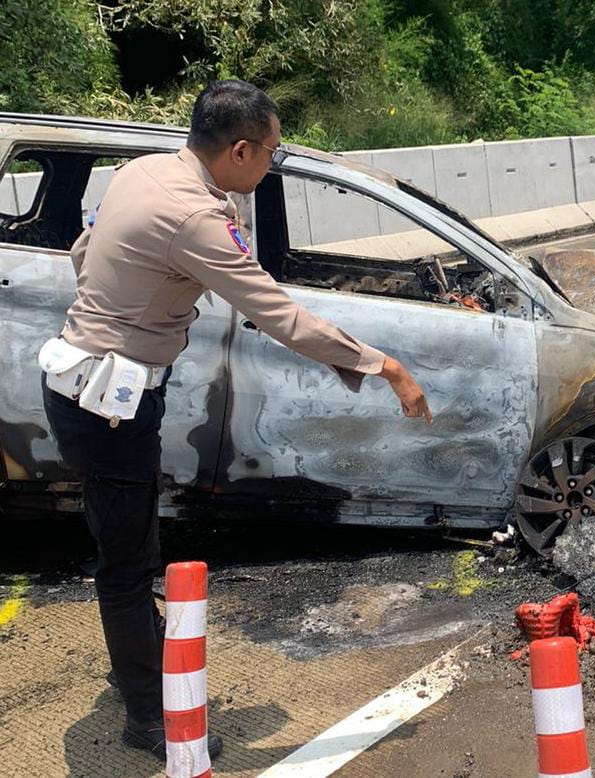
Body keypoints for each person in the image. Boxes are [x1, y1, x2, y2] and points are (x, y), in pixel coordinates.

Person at [40, 80, 432, 759]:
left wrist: (122, 309)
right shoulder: (195, 215)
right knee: (127, 563)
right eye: (272, 154)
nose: (270, 166)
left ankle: (138, 658)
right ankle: (147, 718)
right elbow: (278, 315)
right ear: (240, 148)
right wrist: (382, 366)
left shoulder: (143, 170)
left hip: (80, 384)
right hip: (109, 404)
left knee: (124, 543)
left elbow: (84, 251)